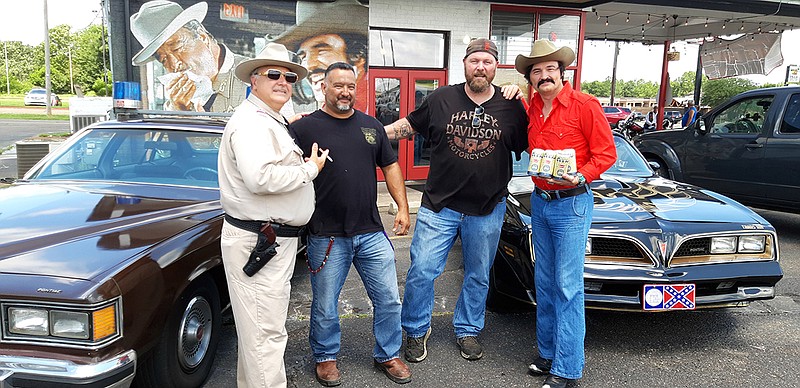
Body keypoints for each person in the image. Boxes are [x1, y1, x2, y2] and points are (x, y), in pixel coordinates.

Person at [384, 38, 528, 363]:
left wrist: (524, 95)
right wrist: (365, 133)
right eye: (474, 60)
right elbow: (406, 127)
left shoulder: (510, 107)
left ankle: (468, 329)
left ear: (495, 68)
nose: (480, 66)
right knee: (422, 270)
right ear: (464, 64)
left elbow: (537, 138)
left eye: (487, 62)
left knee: (478, 274)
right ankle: (417, 329)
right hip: (440, 205)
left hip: (488, 208)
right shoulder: (441, 98)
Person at [290, 62, 412, 386]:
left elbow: (391, 165)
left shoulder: (371, 126)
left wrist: (403, 207)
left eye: (350, 86)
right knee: (326, 303)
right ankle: (326, 358)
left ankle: (388, 353)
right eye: (338, 85)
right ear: (324, 88)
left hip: (371, 232)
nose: (345, 91)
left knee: (388, 298)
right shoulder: (304, 129)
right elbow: (284, 172)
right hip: (326, 235)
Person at [218, 42, 328, 388]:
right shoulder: (253, 123)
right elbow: (260, 177)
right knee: (265, 336)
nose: (284, 81)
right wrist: (310, 169)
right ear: (254, 80)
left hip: (266, 241)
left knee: (258, 338)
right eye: (274, 74)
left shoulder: (267, 119)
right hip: (260, 241)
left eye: (290, 76)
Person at [514, 39, 616, 388]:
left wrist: (581, 175)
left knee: (567, 286)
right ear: (531, 78)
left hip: (572, 202)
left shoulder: (585, 105)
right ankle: (547, 353)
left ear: (562, 72)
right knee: (543, 281)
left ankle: (568, 369)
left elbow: (606, 154)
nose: (544, 76)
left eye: (550, 69)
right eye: (536, 71)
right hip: (540, 201)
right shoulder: (530, 109)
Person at [130, 0, 248, 112]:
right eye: (163, 60)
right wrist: (178, 112)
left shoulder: (254, 77)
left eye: (177, 48)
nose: (174, 64)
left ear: (203, 38)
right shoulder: (178, 100)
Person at [270, 0, 369, 113]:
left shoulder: (368, 105)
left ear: (357, 56)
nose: (308, 65)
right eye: (303, 57)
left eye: (322, 51)